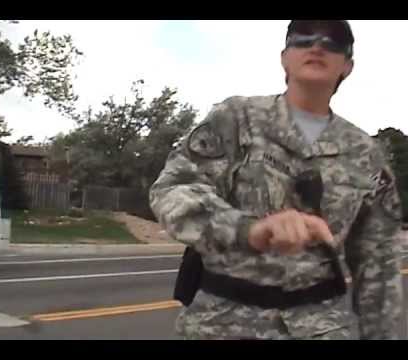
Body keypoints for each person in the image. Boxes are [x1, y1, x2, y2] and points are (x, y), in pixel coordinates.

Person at [149, 20, 403, 340]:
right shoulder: (237, 118)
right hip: (221, 324)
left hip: (322, 328)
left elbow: (379, 267)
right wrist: (247, 229)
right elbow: (173, 188)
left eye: (334, 40)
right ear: (284, 57)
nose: (318, 45)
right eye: (303, 36)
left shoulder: (366, 155)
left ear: (348, 66)